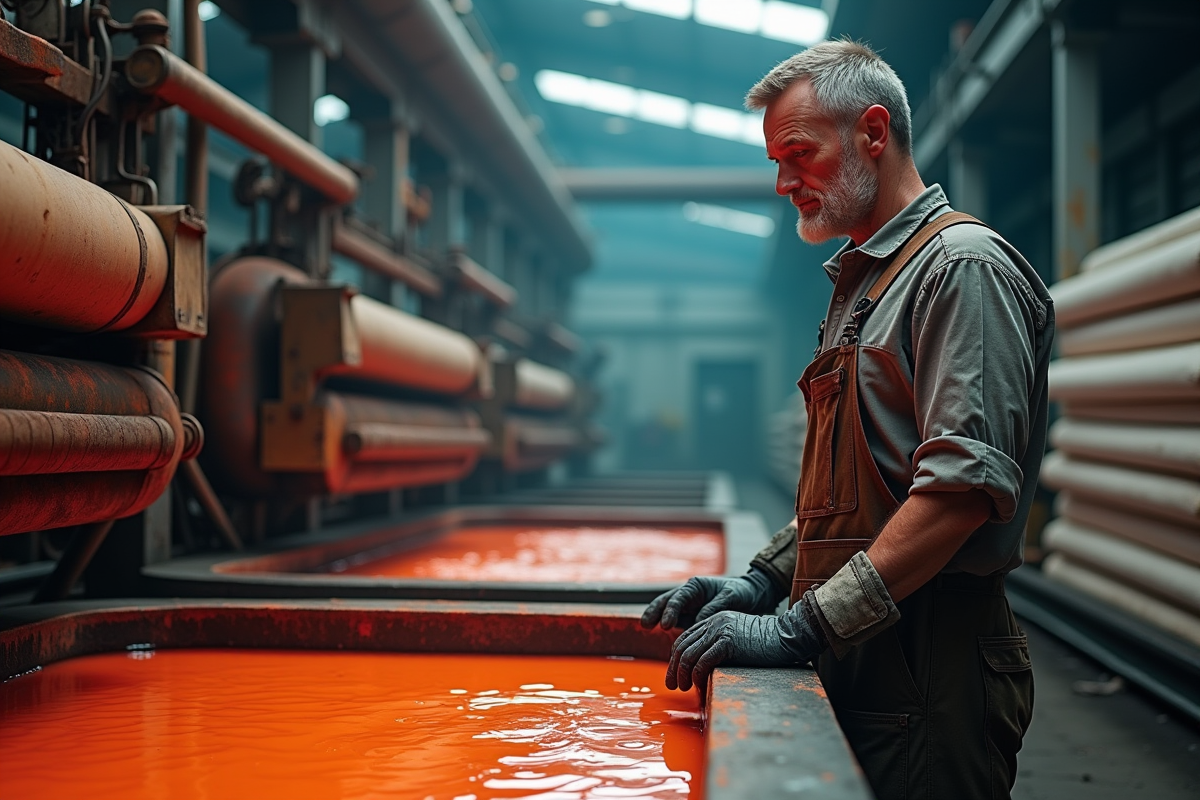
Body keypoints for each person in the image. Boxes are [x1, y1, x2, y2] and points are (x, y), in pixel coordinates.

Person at [641, 40, 1053, 800]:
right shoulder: (872, 282)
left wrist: (798, 628)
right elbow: (860, 486)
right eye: (776, 162)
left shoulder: (960, 270)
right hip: (861, 641)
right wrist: (763, 580)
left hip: (928, 667)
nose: (782, 183)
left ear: (873, 132)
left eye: (799, 154)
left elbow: (958, 493)